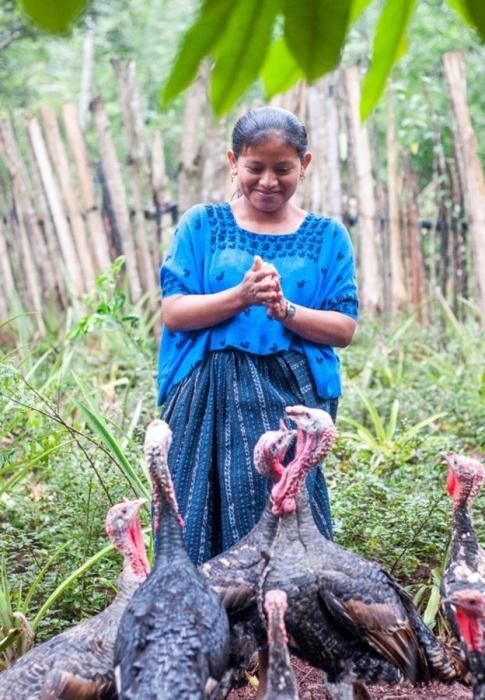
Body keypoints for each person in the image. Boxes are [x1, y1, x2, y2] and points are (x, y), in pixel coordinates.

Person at [157, 107, 358, 566]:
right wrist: (242, 295)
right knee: (197, 504)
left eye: (283, 168)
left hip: (289, 397)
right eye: (255, 168)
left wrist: (284, 310)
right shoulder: (203, 226)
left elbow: (343, 328)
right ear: (233, 162)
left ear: (304, 165)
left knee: (286, 504)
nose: (268, 181)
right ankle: (204, 621)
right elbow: (175, 312)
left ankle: (287, 622)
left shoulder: (327, 237)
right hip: (208, 393)